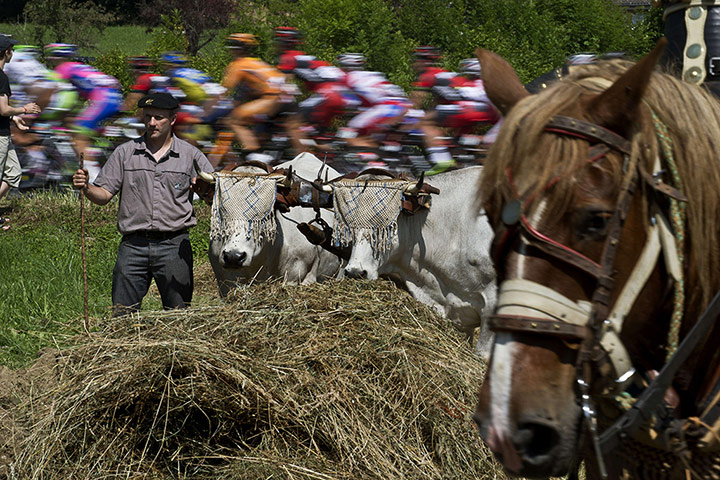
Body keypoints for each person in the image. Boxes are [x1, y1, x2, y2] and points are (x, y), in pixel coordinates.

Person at [72, 92, 213, 315]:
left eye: (158, 117)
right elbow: (104, 195)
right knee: (122, 315)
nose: (151, 123)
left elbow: (216, 198)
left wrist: (205, 191)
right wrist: (87, 187)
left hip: (174, 246)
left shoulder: (190, 156)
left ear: (173, 119)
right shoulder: (125, 153)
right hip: (133, 246)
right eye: (147, 117)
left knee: (178, 317)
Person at [0, 35, 42, 230]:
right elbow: (3, 109)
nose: (13, 53)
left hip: (4, 133)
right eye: (11, 49)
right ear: (6, 52)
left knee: (14, 174)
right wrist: (24, 110)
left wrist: (13, 118)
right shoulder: (1, 77)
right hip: (0, 137)